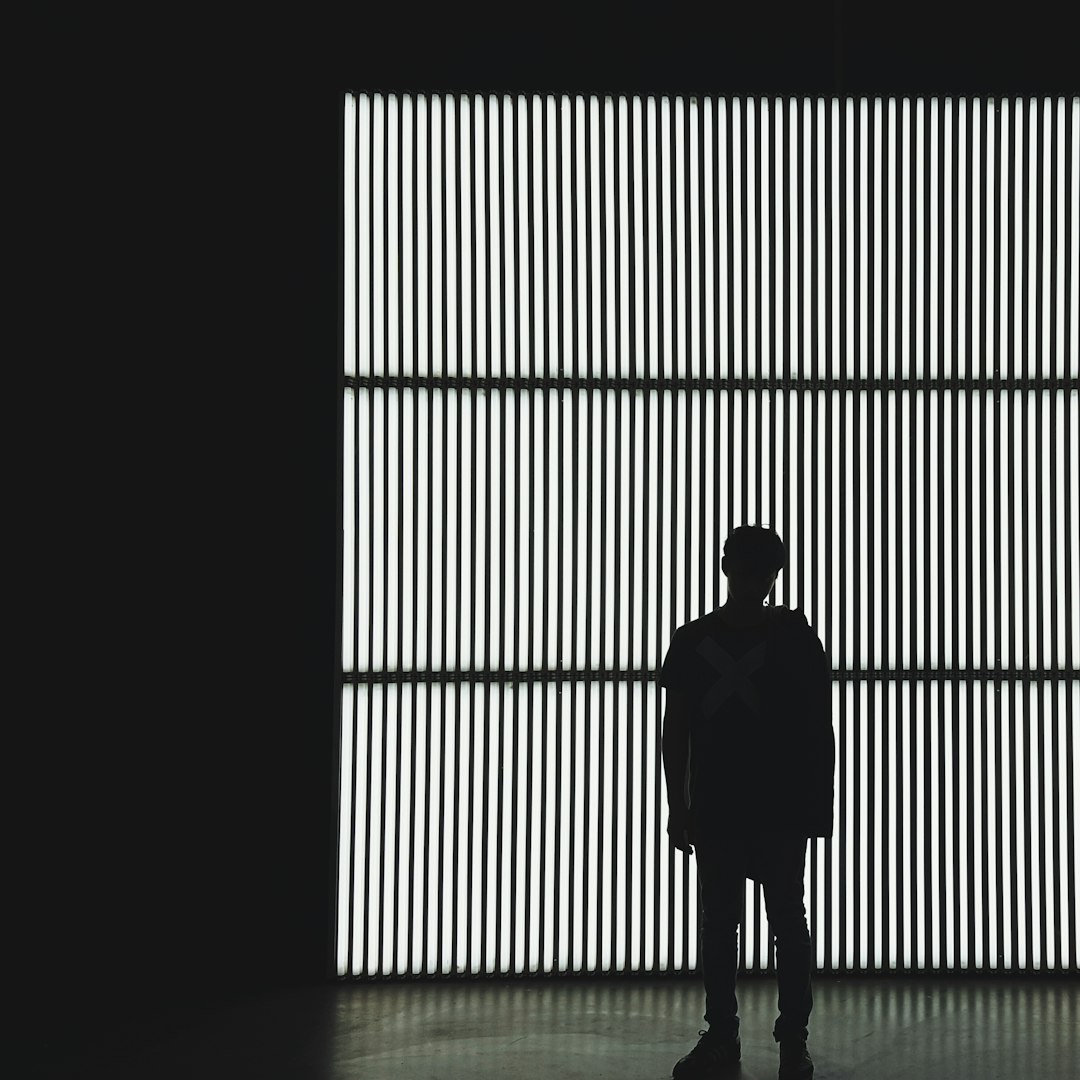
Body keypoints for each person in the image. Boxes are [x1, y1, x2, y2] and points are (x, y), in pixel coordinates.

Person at [659, 525, 834, 1080]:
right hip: (766, 804)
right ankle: (787, 1041)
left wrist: (679, 804)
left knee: (727, 922)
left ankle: (726, 1036)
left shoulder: (693, 641)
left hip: (730, 803)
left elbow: (677, 730)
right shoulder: (791, 640)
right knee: (781, 919)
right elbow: (817, 729)